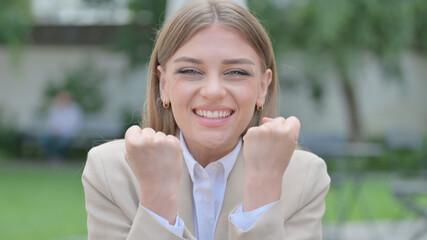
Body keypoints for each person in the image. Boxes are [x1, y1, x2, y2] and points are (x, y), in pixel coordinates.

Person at [82, 1, 330, 239]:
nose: (213, 91)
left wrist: (264, 189)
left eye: (236, 72)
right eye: (190, 71)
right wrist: (157, 200)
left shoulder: (304, 176)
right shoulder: (110, 171)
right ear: (163, 84)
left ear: (263, 86)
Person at [42, 90, 82, 162]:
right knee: (46, 140)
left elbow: (74, 125)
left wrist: (62, 131)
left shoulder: (74, 109)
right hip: (54, 133)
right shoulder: (55, 108)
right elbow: (51, 122)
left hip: (68, 134)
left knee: (61, 142)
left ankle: (58, 158)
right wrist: (55, 130)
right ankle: (52, 158)